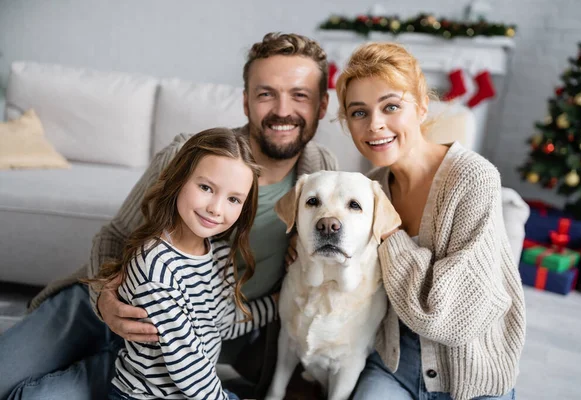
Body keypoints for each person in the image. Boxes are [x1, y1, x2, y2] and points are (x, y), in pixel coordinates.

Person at [0, 32, 337, 400]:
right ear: (246, 102)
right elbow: (114, 235)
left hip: (199, 336)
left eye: (300, 95)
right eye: (265, 93)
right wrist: (104, 301)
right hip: (107, 303)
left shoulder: (322, 176)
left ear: (321, 106)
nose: (282, 110)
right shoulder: (189, 154)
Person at [333, 42, 526, 400]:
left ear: (422, 107)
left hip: (472, 375)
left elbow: (451, 318)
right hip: (394, 364)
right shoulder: (368, 191)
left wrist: (391, 233)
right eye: (359, 113)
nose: (375, 125)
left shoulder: (473, 178)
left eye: (390, 106)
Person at [86, 128, 276, 400]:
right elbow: (189, 369)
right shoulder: (155, 267)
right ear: (179, 180)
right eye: (206, 188)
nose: (216, 208)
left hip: (196, 391)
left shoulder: (220, 256)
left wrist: (281, 303)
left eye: (233, 199)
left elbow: (223, 325)